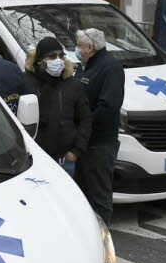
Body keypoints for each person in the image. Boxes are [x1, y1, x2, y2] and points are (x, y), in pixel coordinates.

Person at [74, 27, 124, 224]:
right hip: (84, 141)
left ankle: (102, 240)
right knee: (83, 192)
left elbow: (108, 107)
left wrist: (85, 126)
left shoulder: (110, 67)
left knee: (99, 196)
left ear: (90, 47)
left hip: (99, 143)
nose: (76, 49)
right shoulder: (86, 64)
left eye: (79, 46)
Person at [24, 36, 91, 177]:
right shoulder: (26, 82)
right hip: (34, 160)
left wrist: (75, 151)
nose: (58, 60)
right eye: (52, 56)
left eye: (61, 56)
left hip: (64, 161)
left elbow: (85, 119)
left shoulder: (73, 84)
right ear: (40, 60)